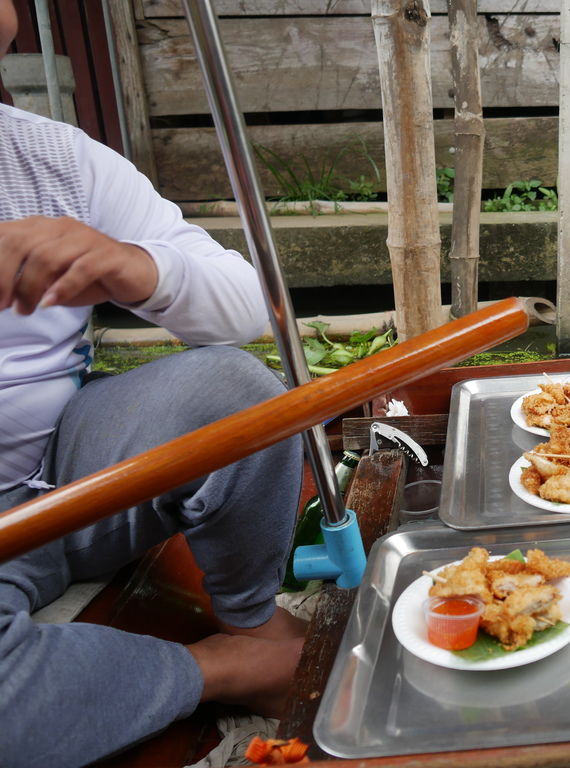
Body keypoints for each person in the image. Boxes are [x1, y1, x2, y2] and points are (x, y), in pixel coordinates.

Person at [0, 2, 307, 765]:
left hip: (65, 479)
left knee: (231, 389)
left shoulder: (50, 157)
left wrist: (137, 266)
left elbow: (245, 304)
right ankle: (220, 669)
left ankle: (248, 618)